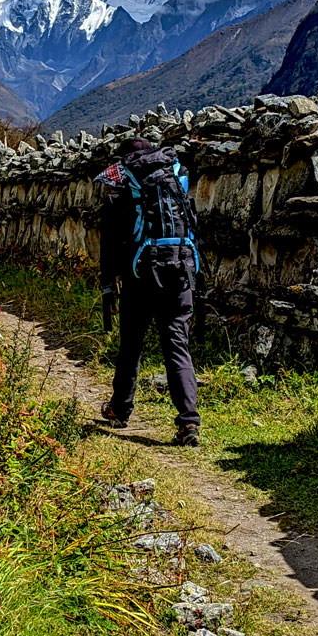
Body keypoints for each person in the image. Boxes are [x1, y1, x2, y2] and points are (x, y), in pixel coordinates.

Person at [95, 138, 201, 446]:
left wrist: (108, 285)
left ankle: (120, 408)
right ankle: (188, 422)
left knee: (131, 345)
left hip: (140, 277)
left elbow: (110, 241)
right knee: (177, 346)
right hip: (181, 271)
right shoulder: (175, 176)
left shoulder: (124, 182)